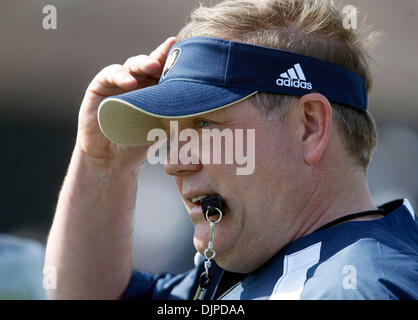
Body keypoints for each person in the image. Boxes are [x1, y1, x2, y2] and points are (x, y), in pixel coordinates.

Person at [44, 0, 418, 300]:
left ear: (310, 127)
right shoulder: (248, 271)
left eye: (205, 125)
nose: (174, 162)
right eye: (172, 133)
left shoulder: (361, 287)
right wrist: (102, 163)